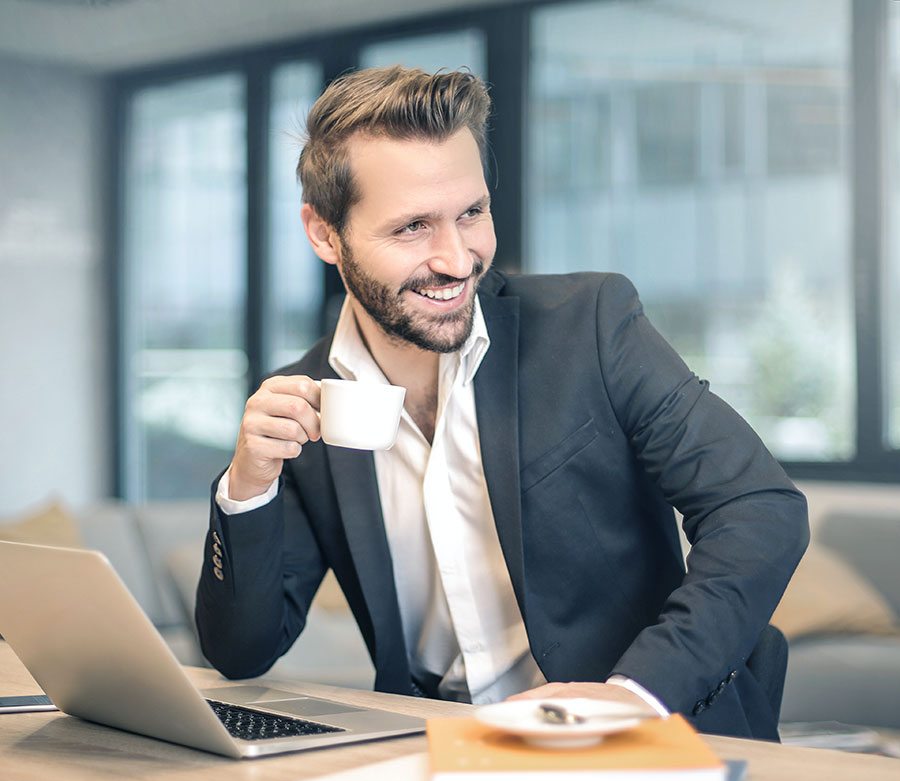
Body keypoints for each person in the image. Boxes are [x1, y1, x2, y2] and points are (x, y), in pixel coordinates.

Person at [196, 65, 809, 740]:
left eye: (472, 213)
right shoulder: (306, 403)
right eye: (413, 228)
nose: (458, 259)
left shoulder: (591, 326)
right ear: (324, 235)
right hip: (436, 749)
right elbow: (241, 652)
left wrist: (635, 694)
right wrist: (247, 487)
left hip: (640, 738)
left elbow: (758, 509)